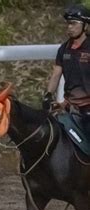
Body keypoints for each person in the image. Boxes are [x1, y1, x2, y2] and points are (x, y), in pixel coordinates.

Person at [43, 4, 90, 135]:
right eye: (68, 24)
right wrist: (48, 95)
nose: (69, 27)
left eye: (74, 23)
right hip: (70, 107)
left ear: (85, 25)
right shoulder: (64, 49)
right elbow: (56, 74)